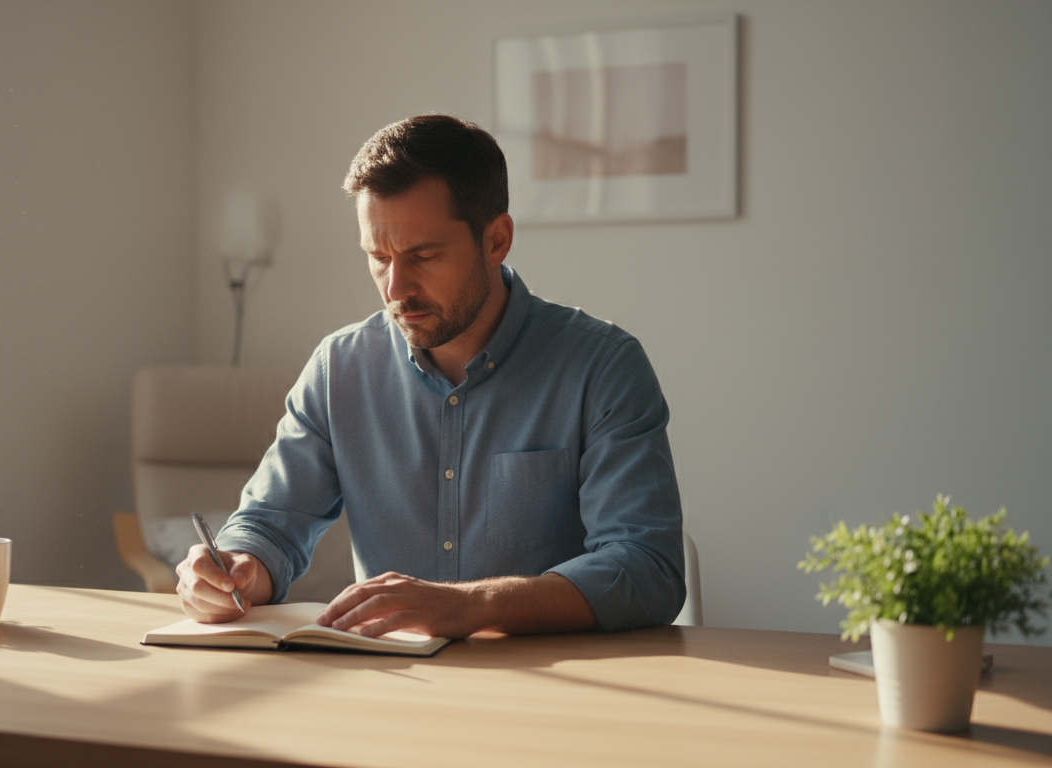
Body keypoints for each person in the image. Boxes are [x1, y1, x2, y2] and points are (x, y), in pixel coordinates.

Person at [176, 114, 685, 639]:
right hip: (392, 691)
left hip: (554, 693)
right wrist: (234, 569)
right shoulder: (340, 370)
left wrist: (477, 605)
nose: (396, 287)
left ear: (496, 240)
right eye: (378, 257)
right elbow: (268, 527)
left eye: (422, 256)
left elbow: (648, 568)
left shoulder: (603, 367)